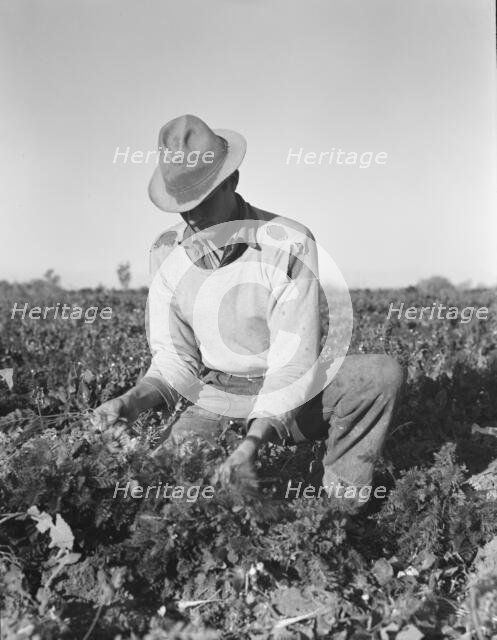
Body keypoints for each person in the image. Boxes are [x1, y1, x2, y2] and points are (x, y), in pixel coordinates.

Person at [94, 114, 404, 501]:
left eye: (203, 201)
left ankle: (338, 508)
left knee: (378, 376)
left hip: (299, 386)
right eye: (182, 205)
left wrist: (252, 442)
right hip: (218, 393)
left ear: (232, 182)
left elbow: (293, 364)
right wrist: (131, 401)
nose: (192, 216)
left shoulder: (290, 241)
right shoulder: (165, 251)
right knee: (167, 488)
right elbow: (175, 360)